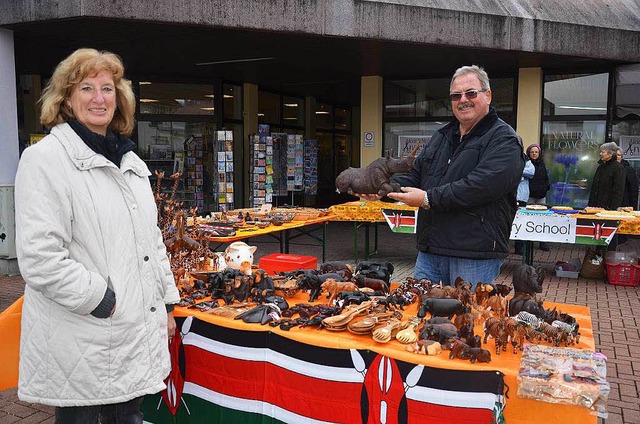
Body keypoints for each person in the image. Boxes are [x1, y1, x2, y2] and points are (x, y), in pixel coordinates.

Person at [14, 48, 180, 423]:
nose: (99, 98)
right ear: (67, 99)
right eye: (86, 88)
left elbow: (149, 240)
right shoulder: (46, 160)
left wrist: (166, 302)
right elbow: (40, 258)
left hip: (130, 334)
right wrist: (102, 299)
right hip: (83, 333)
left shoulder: (129, 161)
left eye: (108, 88)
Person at [381, 65, 524, 288]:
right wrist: (381, 188)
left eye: (471, 93)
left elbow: (480, 186)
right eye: (456, 95)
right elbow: (415, 175)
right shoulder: (441, 136)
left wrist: (428, 199)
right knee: (420, 316)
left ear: (488, 95)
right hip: (430, 251)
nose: (463, 100)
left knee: (465, 319)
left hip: (474, 255)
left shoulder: (504, 139)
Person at [526, 144, 551, 251]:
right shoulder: (526, 164)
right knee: (529, 220)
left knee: (542, 219)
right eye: (532, 152)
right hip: (530, 196)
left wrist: (546, 187)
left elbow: (545, 178)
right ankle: (528, 242)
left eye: (536, 152)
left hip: (541, 196)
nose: (534, 154)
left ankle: (543, 242)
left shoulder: (542, 164)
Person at [588, 142, 626, 210]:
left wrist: (613, 208)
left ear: (610, 154)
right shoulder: (601, 167)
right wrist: (591, 205)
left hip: (608, 208)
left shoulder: (618, 168)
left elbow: (618, 191)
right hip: (595, 207)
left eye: (603, 152)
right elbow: (594, 188)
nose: (600, 154)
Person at [514, 155, 535, 255]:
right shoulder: (510, 158)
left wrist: (517, 170)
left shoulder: (527, 161)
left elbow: (531, 172)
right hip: (510, 196)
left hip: (522, 197)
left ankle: (519, 247)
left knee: (520, 222)